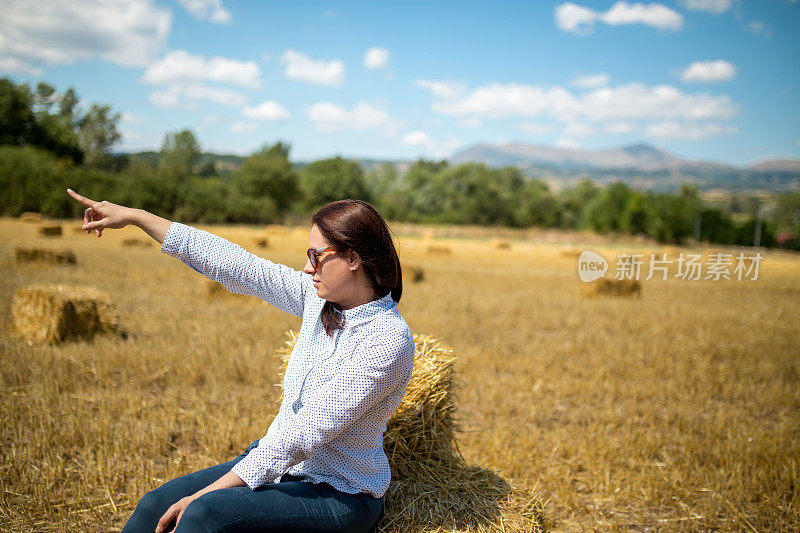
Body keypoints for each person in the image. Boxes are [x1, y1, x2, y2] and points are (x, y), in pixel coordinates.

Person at [65, 188, 415, 533]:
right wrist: (138, 217)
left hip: (339, 494)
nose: (308, 268)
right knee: (155, 504)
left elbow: (304, 433)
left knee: (202, 513)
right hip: (283, 470)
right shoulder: (318, 300)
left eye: (316, 255)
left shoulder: (387, 340)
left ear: (353, 259)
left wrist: (206, 493)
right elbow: (238, 266)